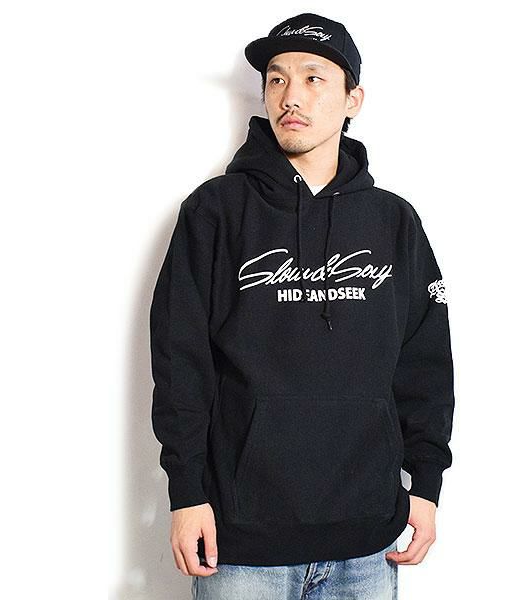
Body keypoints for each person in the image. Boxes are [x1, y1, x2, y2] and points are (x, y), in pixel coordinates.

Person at [149, 12, 456, 600]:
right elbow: (179, 360)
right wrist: (186, 493)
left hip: (369, 540)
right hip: (242, 544)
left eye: (314, 78)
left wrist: (426, 483)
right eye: (277, 79)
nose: (291, 96)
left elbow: (425, 363)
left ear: (352, 99)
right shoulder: (215, 212)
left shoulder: (394, 222)